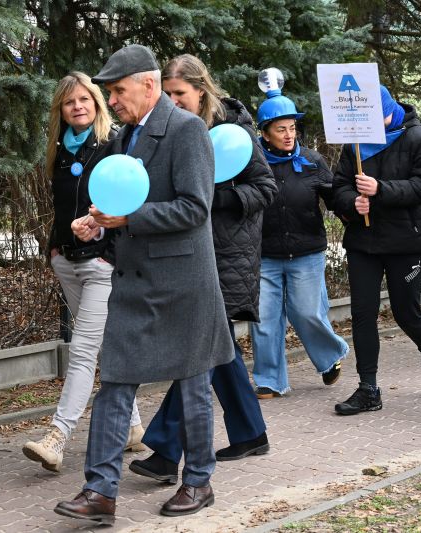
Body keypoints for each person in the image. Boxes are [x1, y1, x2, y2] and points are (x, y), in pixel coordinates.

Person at [53, 44, 234, 524]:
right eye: (109, 92)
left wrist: (127, 218)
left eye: (118, 91)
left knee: (193, 385)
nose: (111, 100)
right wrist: (97, 222)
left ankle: (198, 481)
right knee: (114, 382)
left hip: (184, 283)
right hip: (134, 280)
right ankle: (100, 492)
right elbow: (120, 197)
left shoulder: (187, 129)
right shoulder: (124, 136)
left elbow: (196, 208)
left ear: (148, 85)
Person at [127, 54, 275, 486]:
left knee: (199, 351)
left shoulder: (235, 131)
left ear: (202, 92)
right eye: (168, 94)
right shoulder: (165, 129)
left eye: (180, 94)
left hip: (227, 256)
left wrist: (215, 198)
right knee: (218, 348)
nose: (173, 101)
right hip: (188, 252)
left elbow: (264, 188)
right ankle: (250, 432)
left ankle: (164, 448)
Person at [21, 72, 145, 472]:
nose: (77, 107)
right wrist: (54, 249)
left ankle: (57, 436)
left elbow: (128, 202)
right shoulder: (57, 152)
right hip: (67, 262)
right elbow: (60, 208)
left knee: (82, 351)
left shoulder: (113, 146)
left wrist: (107, 251)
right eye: (69, 102)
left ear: (96, 103)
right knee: (105, 344)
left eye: (84, 100)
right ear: (61, 109)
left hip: (101, 264)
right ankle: (134, 427)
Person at [332, 85, 421, 415]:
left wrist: (381, 189)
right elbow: (338, 185)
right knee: (363, 313)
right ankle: (369, 389)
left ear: (389, 108)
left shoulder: (419, 138)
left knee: (405, 311)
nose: (371, 126)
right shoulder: (354, 141)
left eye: (375, 118)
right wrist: (351, 203)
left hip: (405, 242)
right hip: (363, 242)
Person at [249, 69, 349, 399]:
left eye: (292, 128)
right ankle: (269, 380)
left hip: (307, 252)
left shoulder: (312, 161)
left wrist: (355, 204)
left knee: (308, 313)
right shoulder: (253, 164)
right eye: (280, 129)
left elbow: (336, 199)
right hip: (265, 254)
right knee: (263, 320)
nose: (289, 134)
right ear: (264, 133)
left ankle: (330, 356)